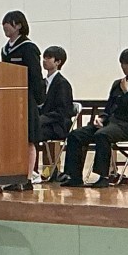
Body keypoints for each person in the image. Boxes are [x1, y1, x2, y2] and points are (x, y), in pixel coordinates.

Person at [61, 48, 128, 188]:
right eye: (122, 64)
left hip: (127, 125)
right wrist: (101, 118)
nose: (125, 67)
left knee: (102, 135)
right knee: (76, 135)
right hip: (110, 123)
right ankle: (74, 176)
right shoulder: (117, 83)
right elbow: (109, 107)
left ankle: (103, 176)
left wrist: (126, 92)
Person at [0, 10, 45, 191]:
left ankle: (27, 178)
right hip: (9, 100)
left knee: (28, 139)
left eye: (8, 23)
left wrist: (39, 100)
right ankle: (13, 175)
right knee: (12, 138)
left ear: (18, 25)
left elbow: (35, 75)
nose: (5, 27)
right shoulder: (5, 49)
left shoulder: (28, 47)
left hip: (26, 99)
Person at [37, 46, 76, 182]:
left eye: (49, 58)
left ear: (58, 62)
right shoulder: (42, 83)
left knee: (31, 133)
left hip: (57, 125)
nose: (44, 60)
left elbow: (63, 111)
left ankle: (35, 171)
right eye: (44, 57)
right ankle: (35, 170)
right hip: (45, 123)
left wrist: (42, 119)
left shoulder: (62, 84)